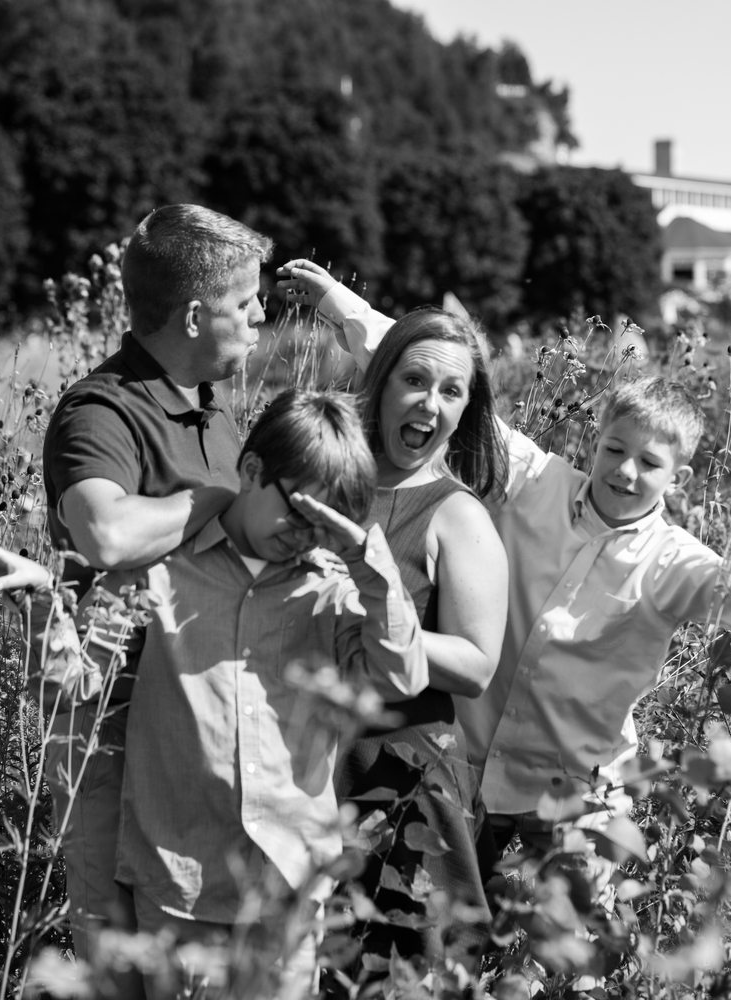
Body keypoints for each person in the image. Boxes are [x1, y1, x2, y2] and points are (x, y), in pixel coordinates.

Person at [279, 262, 731, 871]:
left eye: (649, 463)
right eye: (614, 450)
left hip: (578, 789)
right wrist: (343, 306)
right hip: (468, 760)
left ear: (680, 479)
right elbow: (447, 386)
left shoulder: (672, 563)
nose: (624, 471)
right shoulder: (533, 480)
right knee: (452, 918)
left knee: (576, 946)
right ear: (594, 441)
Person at [0, 388, 428, 1000]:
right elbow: (77, 693)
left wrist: (370, 566)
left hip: (287, 888)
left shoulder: (334, 589)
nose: (307, 537)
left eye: (324, 525)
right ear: (253, 470)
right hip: (182, 887)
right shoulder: (158, 570)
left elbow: (402, 679)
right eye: (300, 512)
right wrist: (41, 607)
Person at [40, 204, 270, 971]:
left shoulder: (216, 414)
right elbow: (102, 533)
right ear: (198, 315)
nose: (262, 315)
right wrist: (213, 499)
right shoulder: (103, 408)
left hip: (198, 739)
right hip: (112, 727)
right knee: (117, 960)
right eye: (247, 303)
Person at [282, 272, 509, 982]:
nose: (429, 404)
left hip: (399, 779)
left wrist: (378, 612)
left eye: (451, 392)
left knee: (394, 975)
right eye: (414, 381)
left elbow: (476, 662)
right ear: (379, 384)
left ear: (468, 410)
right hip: (305, 759)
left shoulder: (456, 515)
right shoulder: (328, 482)